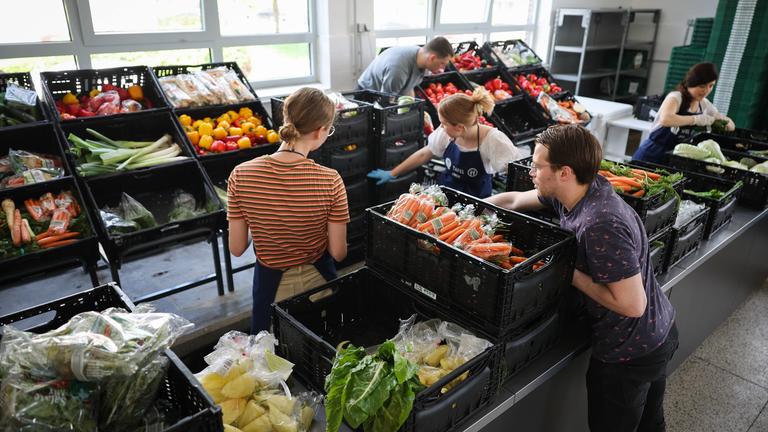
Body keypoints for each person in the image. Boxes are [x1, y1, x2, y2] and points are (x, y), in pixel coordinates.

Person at [487, 124, 678, 432]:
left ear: (564, 172)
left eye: (537, 166)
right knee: (650, 425)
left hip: (629, 352)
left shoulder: (600, 223)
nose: (531, 171)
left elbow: (632, 305)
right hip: (659, 331)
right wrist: (469, 210)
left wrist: (567, 271)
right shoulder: (578, 191)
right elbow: (514, 201)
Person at [227, 87, 349, 333]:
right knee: (319, 349)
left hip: (271, 290)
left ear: (286, 120)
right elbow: (338, 253)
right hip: (318, 286)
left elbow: (237, 248)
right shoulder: (330, 179)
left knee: (273, 359)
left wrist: (260, 222)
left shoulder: (241, 174)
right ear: (320, 131)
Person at [367, 87, 520, 198]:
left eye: (443, 124)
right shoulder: (447, 134)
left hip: (477, 204)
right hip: (444, 197)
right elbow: (425, 153)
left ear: (460, 127)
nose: (440, 127)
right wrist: (393, 173)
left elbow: (516, 173)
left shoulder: (493, 140)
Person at [633, 62, 735, 164]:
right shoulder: (676, 97)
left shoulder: (704, 104)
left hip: (675, 159)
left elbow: (731, 126)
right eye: (702, 86)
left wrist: (723, 120)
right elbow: (666, 119)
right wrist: (696, 119)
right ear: (691, 83)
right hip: (651, 155)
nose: (706, 91)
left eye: (711, 86)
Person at [356, 36, 454, 96]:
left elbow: (408, 88)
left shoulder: (421, 57)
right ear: (432, 58)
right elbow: (385, 103)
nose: (443, 69)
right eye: (442, 64)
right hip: (368, 94)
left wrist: (413, 109)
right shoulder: (398, 69)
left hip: (387, 94)